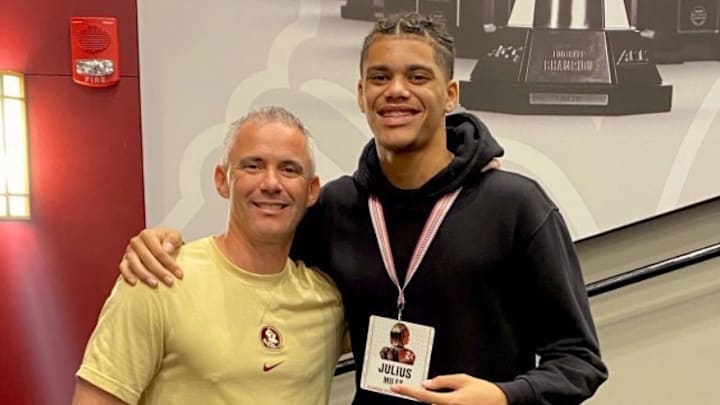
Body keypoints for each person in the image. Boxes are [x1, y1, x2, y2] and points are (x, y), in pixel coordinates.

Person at [119, 12, 608, 405]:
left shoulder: (516, 205)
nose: (396, 90)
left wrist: (504, 396)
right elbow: (255, 261)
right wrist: (165, 243)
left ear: (450, 95)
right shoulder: (335, 208)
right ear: (361, 94)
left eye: (418, 76)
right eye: (380, 76)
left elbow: (579, 361)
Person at [72, 106, 345, 405]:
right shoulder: (158, 278)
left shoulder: (329, 302)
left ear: (312, 190)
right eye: (253, 166)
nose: (271, 183)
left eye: (289, 169)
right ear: (222, 180)